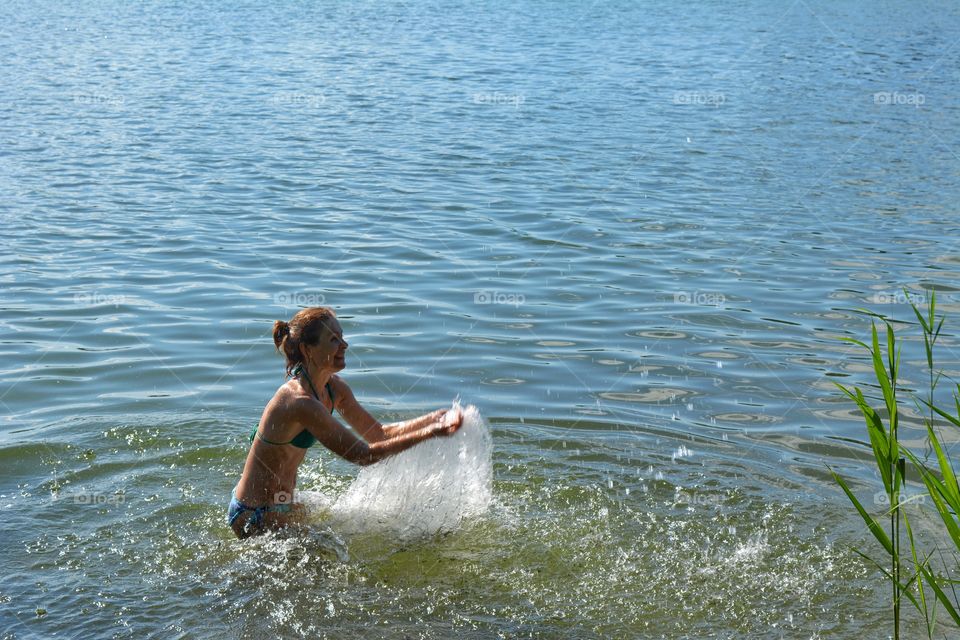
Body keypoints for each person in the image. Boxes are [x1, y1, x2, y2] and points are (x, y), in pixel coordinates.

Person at [228, 306, 463, 538]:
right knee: (326, 560)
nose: (344, 345)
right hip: (253, 514)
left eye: (342, 337)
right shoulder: (299, 402)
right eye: (333, 339)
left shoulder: (334, 389)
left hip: (282, 505)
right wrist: (431, 433)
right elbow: (363, 455)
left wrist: (432, 420)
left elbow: (378, 434)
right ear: (307, 349)